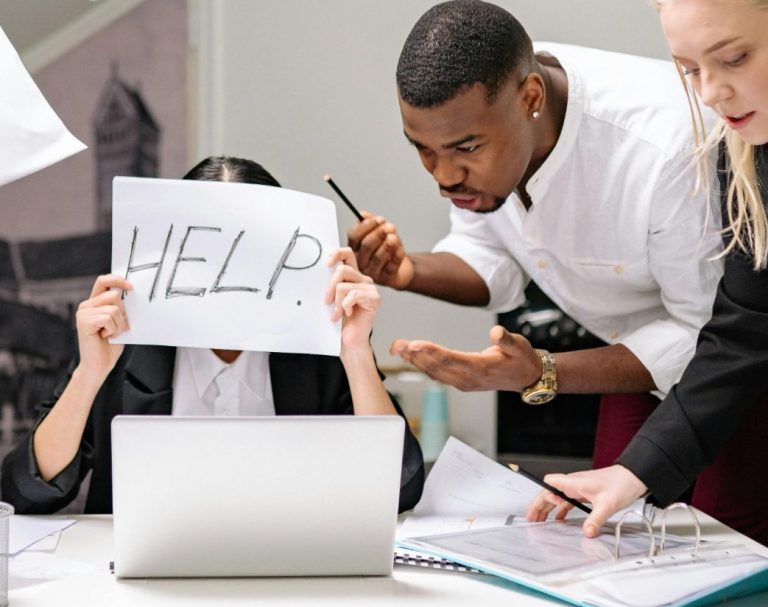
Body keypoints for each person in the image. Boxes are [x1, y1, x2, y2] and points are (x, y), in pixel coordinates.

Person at [348, 0, 722, 461]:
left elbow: (706, 334)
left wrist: (542, 372)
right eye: (422, 149)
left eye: (466, 148)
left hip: (733, 371)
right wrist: (407, 271)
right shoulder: (485, 95)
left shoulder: (667, 150)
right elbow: (491, 256)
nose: (444, 177)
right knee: (603, 506)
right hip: (636, 358)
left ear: (530, 99)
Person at [0, 157, 424, 515]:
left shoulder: (320, 349)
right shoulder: (126, 345)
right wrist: (88, 375)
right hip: (138, 576)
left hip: (293, 569)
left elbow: (398, 489)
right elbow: (26, 491)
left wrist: (355, 353)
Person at [528, 0, 768, 546]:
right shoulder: (742, 151)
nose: (710, 93)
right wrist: (632, 472)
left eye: (734, 58)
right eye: (690, 69)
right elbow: (746, 330)